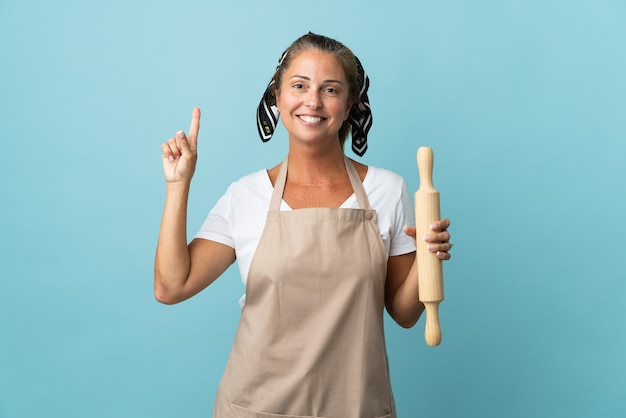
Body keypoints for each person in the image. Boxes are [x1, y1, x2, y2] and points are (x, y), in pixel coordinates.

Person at [155, 32, 452, 418]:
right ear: (277, 98)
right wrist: (178, 185)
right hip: (254, 407)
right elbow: (171, 286)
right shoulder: (245, 196)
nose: (313, 101)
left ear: (350, 106)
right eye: (299, 86)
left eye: (330, 89)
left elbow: (405, 313)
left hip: (356, 407)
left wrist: (430, 258)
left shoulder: (388, 190)